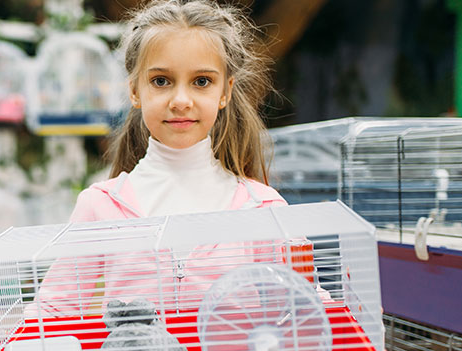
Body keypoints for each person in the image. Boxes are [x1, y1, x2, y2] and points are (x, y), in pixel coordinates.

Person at [31, 0, 296, 317]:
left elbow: (305, 304)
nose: (181, 101)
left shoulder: (263, 208)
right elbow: (53, 309)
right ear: (134, 91)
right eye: (161, 81)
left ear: (225, 92)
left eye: (201, 82)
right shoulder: (100, 205)